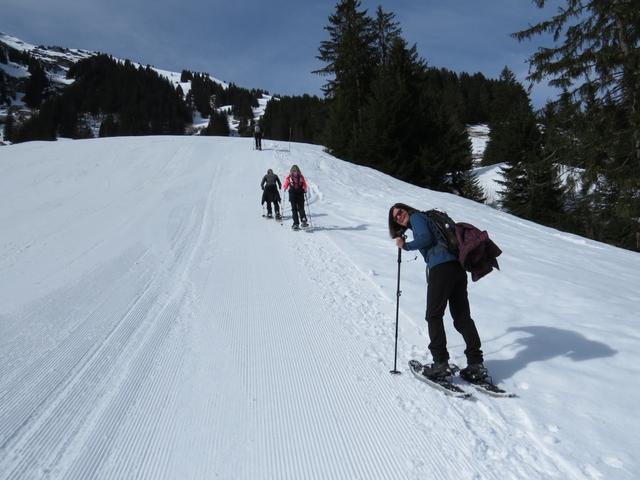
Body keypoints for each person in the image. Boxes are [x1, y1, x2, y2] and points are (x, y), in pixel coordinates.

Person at [388, 203, 488, 382]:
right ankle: (476, 364)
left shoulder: (417, 217)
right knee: (462, 318)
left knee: (433, 316)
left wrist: (406, 246)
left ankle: (440, 364)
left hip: (441, 269)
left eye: (400, 212)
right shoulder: (426, 219)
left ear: (407, 209)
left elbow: (425, 238)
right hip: (457, 268)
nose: (399, 217)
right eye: (395, 218)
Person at [283, 165, 308, 230]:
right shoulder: (301, 176)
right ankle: (303, 220)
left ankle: (296, 224)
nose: (295, 172)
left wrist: (285, 188)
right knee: (301, 208)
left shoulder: (289, 177)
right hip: (300, 194)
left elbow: (285, 185)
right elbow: (305, 185)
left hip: (292, 194)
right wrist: (305, 190)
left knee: (294, 209)